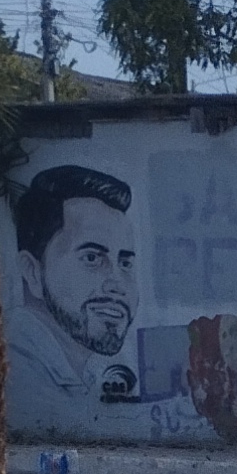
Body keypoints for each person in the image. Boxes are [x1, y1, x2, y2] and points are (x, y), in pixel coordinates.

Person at [10, 164, 139, 411]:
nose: (118, 285)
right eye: (92, 258)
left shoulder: (103, 369)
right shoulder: (12, 370)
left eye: (125, 263)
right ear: (32, 271)